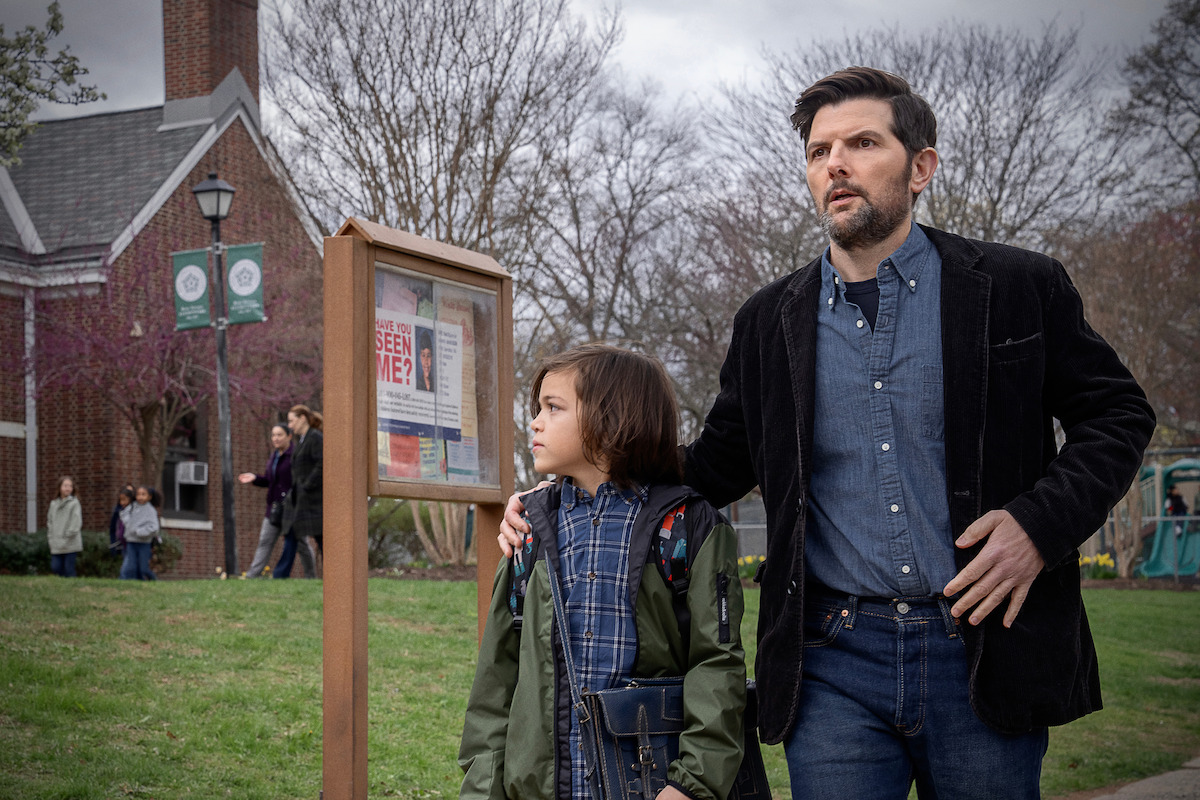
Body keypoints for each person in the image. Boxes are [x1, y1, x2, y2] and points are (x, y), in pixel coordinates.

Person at [503, 68, 1156, 798]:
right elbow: (710, 468)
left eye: (862, 143)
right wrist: (558, 495)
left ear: (920, 168)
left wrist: (1038, 527)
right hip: (830, 659)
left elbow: (1118, 414)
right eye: (819, 152)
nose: (835, 164)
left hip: (982, 649)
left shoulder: (1017, 287)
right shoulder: (767, 321)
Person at [461, 344, 746, 800]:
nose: (535, 422)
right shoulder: (529, 530)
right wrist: (482, 790)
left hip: (650, 786)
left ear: (612, 421)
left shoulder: (688, 528)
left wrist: (692, 784)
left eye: (553, 407)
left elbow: (716, 665)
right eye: (539, 408)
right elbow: (496, 680)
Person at [239, 423, 296, 578]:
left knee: (302, 545)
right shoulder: (274, 456)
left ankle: (311, 574)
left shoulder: (295, 455)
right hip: (274, 508)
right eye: (273, 435)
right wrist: (255, 478)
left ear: (289, 436)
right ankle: (252, 575)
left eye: (279, 435)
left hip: (291, 508)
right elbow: (270, 481)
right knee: (265, 541)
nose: (275, 438)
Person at [277, 404, 322, 578]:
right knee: (291, 533)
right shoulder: (302, 441)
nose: (290, 425)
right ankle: (280, 575)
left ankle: (335, 573)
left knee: (321, 537)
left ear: (302, 418)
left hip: (313, 499)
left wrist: (307, 485)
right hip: (299, 498)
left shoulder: (315, 437)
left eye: (291, 421)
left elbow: (322, 463)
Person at [120, 485, 160, 581]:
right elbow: (124, 514)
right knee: (131, 566)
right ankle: (130, 583)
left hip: (144, 543)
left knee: (143, 568)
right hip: (131, 542)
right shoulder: (132, 506)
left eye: (143, 494)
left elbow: (154, 528)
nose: (140, 497)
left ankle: (154, 580)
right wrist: (129, 525)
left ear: (149, 497)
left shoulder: (151, 510)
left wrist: (139, 532)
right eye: (138, 494)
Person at [47, 476, 83, 577]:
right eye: (65, 486)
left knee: (69, 569)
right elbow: (50, 522)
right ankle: (61, 585)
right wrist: (51, 538)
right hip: (56, 543)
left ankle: (72, 585)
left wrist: (67, 536)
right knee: (56, 567)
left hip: (70, 543)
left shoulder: (75, 503)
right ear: (59, 487)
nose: (68, 488)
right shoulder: (53, 504)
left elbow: (76, 523)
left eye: (70, 486)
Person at [107, 484, 135, 558]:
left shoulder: (136, 510)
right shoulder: (118, 511)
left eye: (131, 492)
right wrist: (113, 543)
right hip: (122, 543)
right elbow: (113, 528)